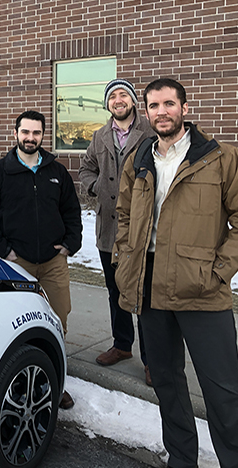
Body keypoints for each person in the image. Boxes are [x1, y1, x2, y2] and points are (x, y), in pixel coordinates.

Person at [113, 78, 238, 468]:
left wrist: (218, 272)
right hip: (149, 289)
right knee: (167, 385)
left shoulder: (221, 158)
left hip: (203, 293)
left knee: (223, 392)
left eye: (168, 103)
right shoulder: (139, 158)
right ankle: (181, 459)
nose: (161, 111)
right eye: (153, 105)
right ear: (145, 112)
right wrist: (124, 259)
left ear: (183, 107)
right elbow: (125, 216)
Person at [0, 110, 82, 410]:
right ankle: (21, 381)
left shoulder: (57, 172)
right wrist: (4, 251)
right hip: (16, 263)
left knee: (58, 320)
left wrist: (69, 245)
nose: (30, 138)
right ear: (16, 133)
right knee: (18, 326)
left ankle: (56, 382)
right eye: (25, 132)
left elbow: (71, 212)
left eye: (36, 133)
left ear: (42, 136)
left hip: (53, 263)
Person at [79, 79, 156, 386]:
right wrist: (96, 187)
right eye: (113, 96)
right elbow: (86, 169)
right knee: (116, 292)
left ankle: (152, 360)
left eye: (123, 95)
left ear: (134, 102)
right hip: (109, 228)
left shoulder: (151, 133)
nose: (118, 100)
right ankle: (122, 345)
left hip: (143, 230)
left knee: (144, 296)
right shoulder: (99, 136)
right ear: (108, 104)